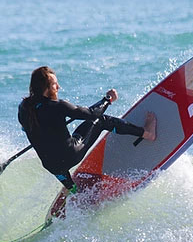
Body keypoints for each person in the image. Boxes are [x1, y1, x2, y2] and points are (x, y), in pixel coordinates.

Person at [18, 66, 156, 193]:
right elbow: (92, 114)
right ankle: (147, 133)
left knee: (54, 153)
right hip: (69, 156)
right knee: (101, 121)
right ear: (46, 88)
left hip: (51, 165)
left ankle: (72, 189)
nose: (58, 87)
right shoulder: (57, 106)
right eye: (55, 85)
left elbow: (27, 129)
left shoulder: (23, 108)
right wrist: (107, 99)